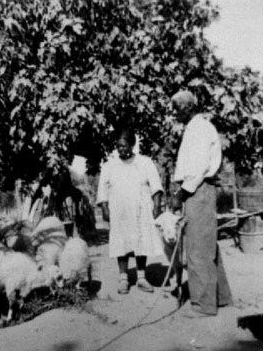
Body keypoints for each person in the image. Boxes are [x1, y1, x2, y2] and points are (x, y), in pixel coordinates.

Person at [171, 90, 233, 318]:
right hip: (198, 189)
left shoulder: (199, 128)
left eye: (176, 108)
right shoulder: (195, 128)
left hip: (198, 189)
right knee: (207, 244)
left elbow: (197, 167)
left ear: (188, 107)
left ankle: (202, 305)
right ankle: (221, 297)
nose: (174, 112)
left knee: (198, 248)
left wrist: (181, 193)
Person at [97, 128, 164, 294]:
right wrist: (105, 208)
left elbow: (156, 186)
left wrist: (156, 207)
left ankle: (141, 277)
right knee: (122, 242)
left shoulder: (145, 162)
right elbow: (102, 189)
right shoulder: (109, 166)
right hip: (119, 211)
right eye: (118, 146)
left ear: (133, 145)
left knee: (141, 241)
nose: (121, 149)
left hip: (141, 209)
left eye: (125, 146)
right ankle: (123, 279)